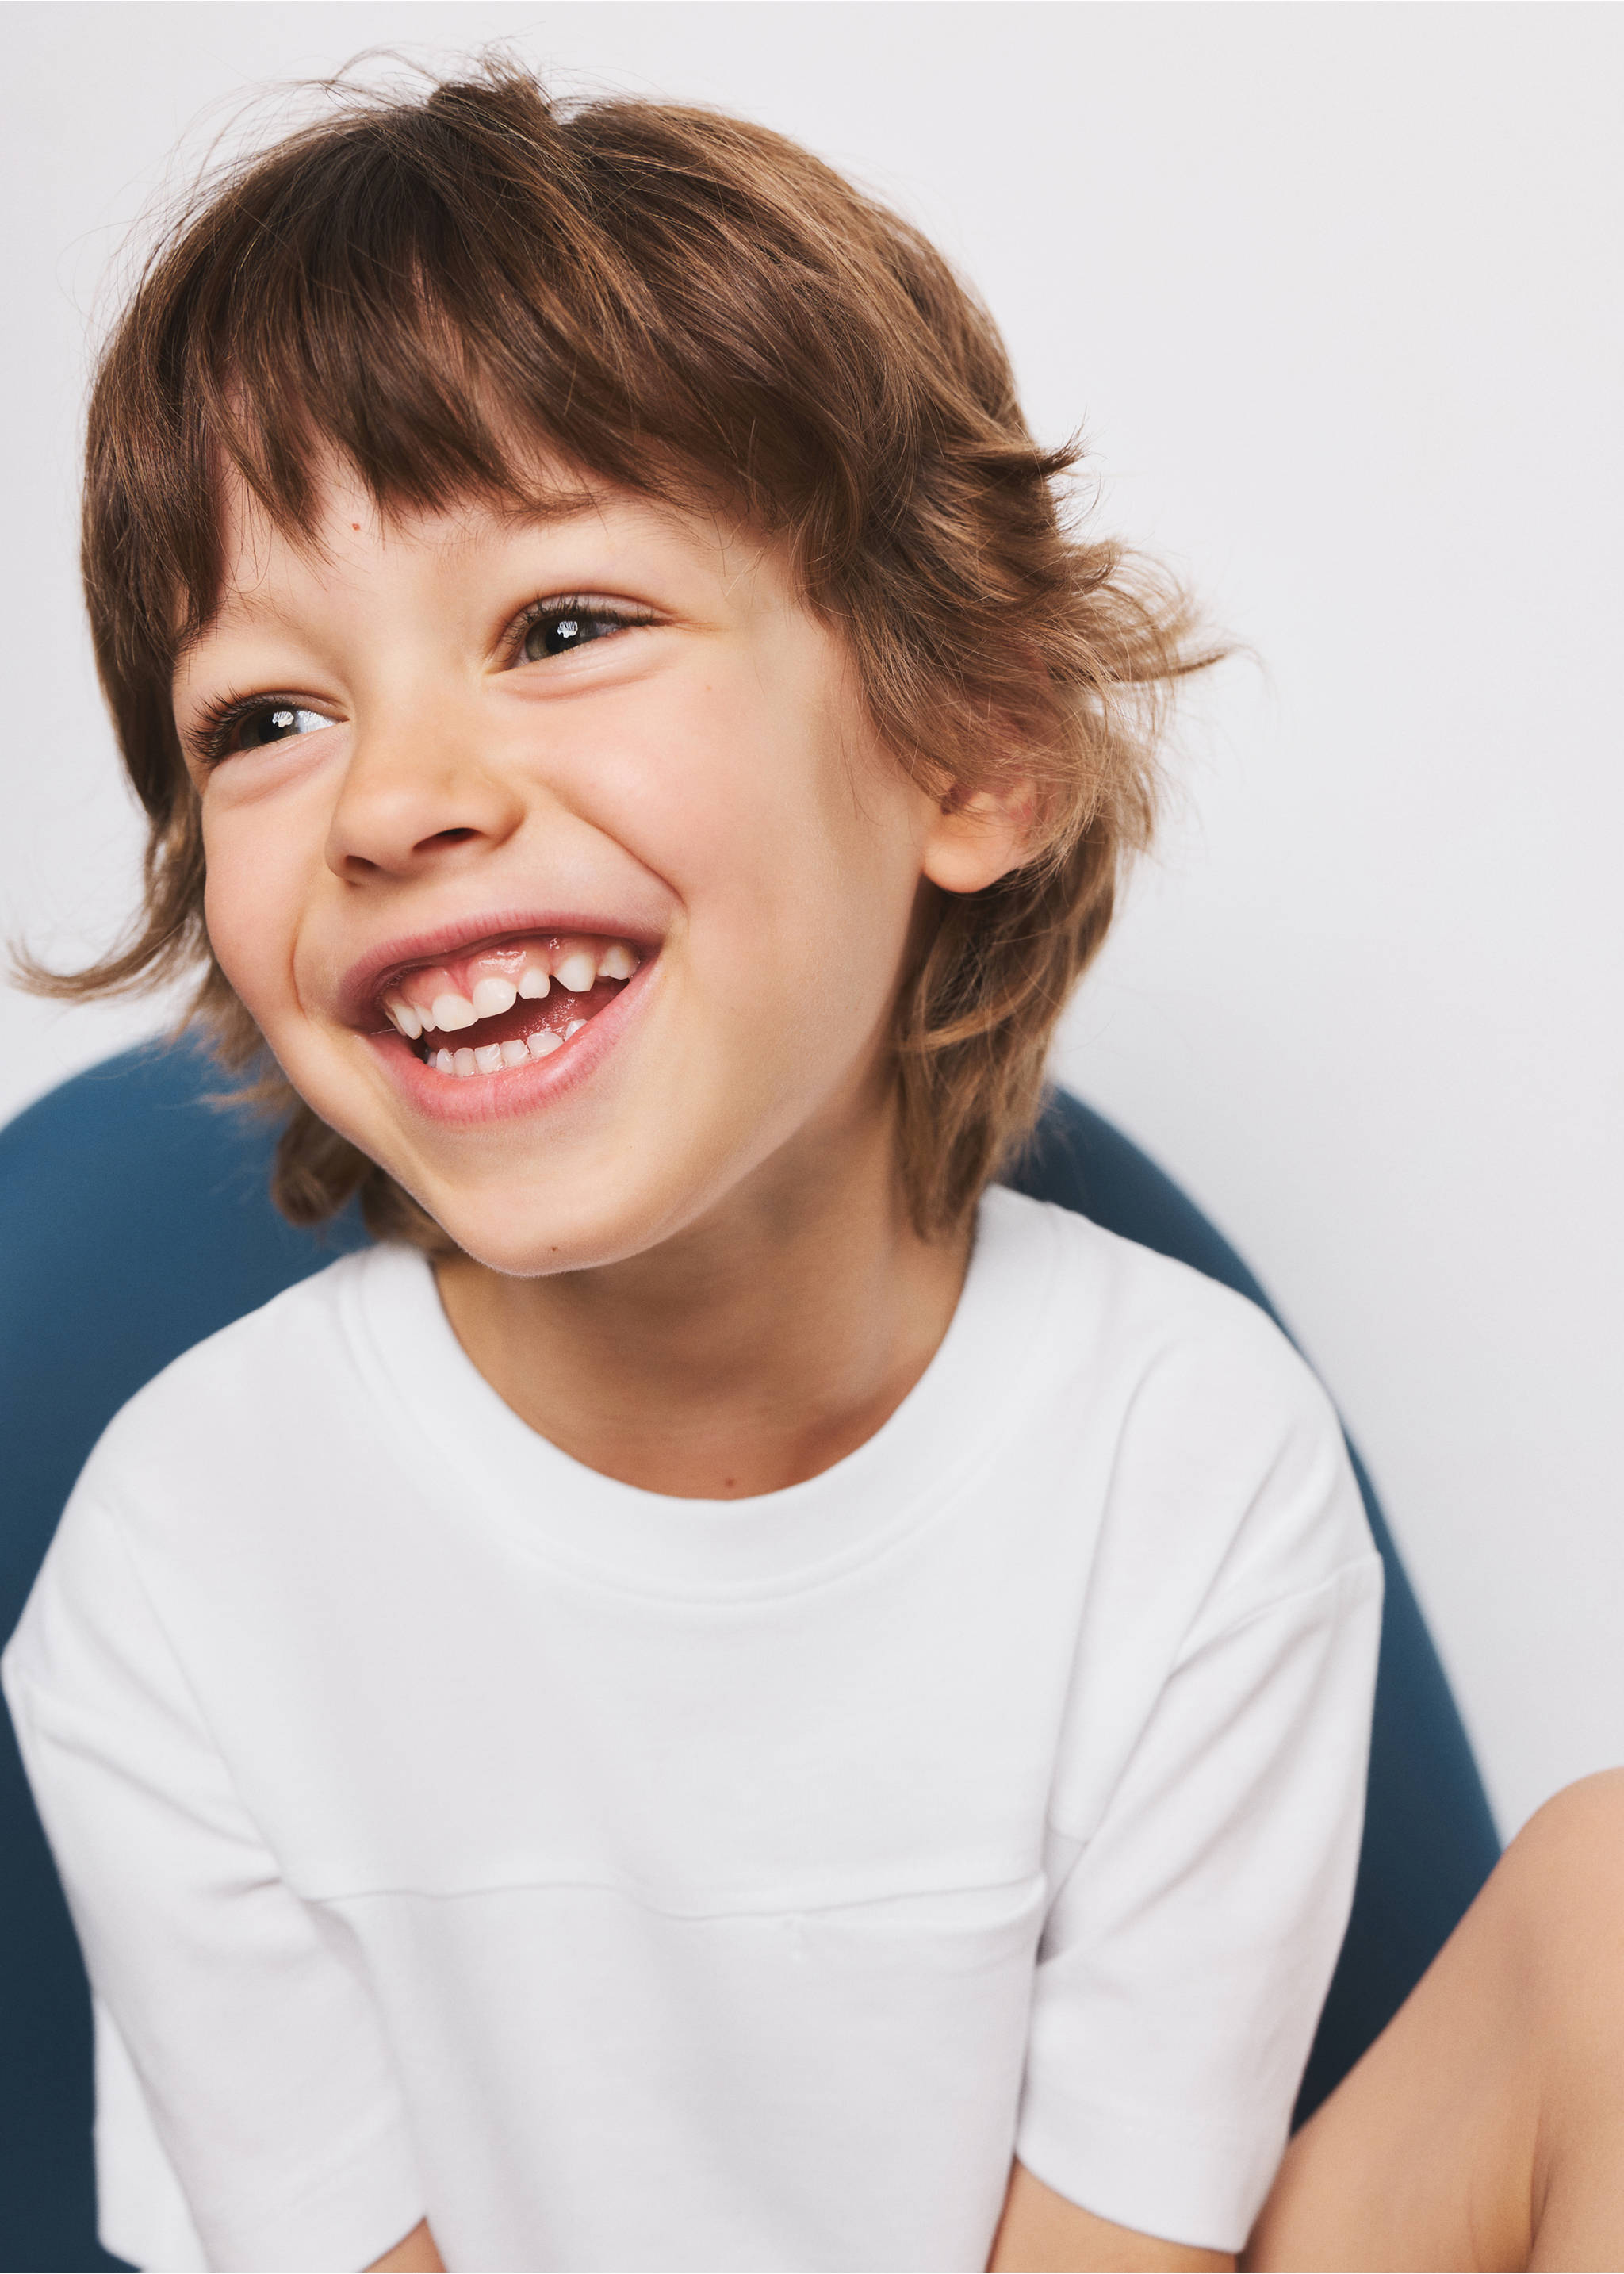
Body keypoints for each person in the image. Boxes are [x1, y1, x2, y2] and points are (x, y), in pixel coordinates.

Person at [2, 58, 1616, 2274]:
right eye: (265, 719)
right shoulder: (179, 1567)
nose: (393, 799)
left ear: (973, 745)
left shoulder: (1193, 1456)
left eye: (561, 625)